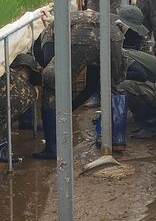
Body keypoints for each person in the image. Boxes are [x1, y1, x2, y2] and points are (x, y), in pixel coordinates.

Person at [32, 8, 145, 159]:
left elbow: (48, 60)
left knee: (50, 82)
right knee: (115, 84)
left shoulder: (48, 33)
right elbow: (92, 84)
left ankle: (53, 149)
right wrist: (71, 107)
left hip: (81, 36)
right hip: (113, 36)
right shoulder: (109, 21)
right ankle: (117, 140)